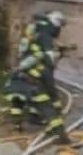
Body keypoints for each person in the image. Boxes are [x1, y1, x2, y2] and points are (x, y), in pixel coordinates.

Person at [4, 11, 66, 139]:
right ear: (56, 24)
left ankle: (21, 124)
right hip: (35, 76)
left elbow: (30, 52)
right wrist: (58, 55)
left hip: (22, 77)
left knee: (21, 99)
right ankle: (59, 132)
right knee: (48, 98)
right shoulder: (45, 35)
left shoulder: (34, 30)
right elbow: (49, 58)